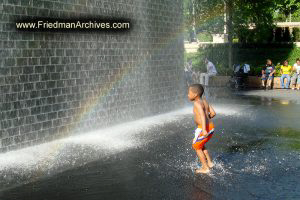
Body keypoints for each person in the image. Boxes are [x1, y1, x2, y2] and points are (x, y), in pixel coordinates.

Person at [188, 84, 216, 174]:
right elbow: (213, 113)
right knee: (201, 144)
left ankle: (205, 167)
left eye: (189, 93)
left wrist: (204, 129)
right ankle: (210, 162)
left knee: (196, 146)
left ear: (195, 94)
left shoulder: (197, 103)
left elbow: (202, 115)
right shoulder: (204, 101)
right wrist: (209, 118)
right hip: (211, 126)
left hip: (203, 128)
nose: (188, 95)